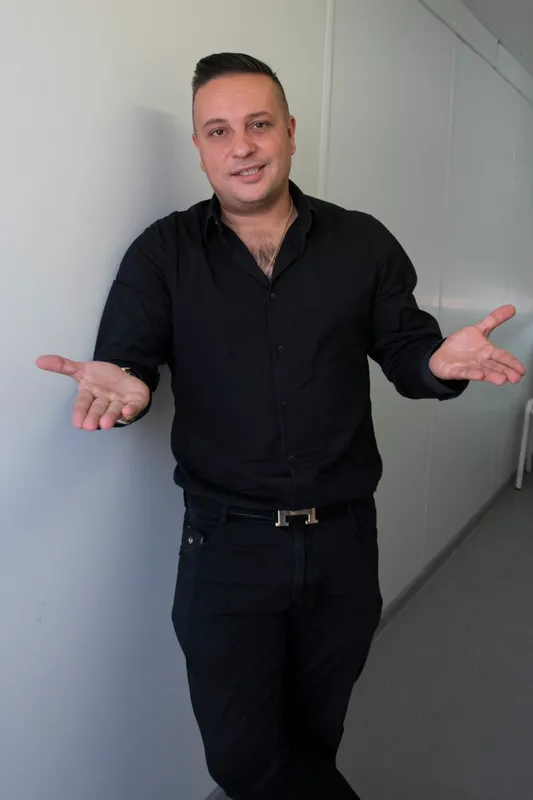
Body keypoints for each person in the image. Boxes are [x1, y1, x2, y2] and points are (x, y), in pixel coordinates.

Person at [36, 53, 526, 800]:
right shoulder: (163, 253)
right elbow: (126, 362)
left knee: (312, 736)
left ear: (290, 132)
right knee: (242, 760)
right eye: (219, 130)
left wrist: (437, 362)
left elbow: (406, 352)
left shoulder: (361, 243)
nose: (242, 146)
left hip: (342, 541)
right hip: (225, 547)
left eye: (258, 124)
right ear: (199, 147)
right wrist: (125, 387)